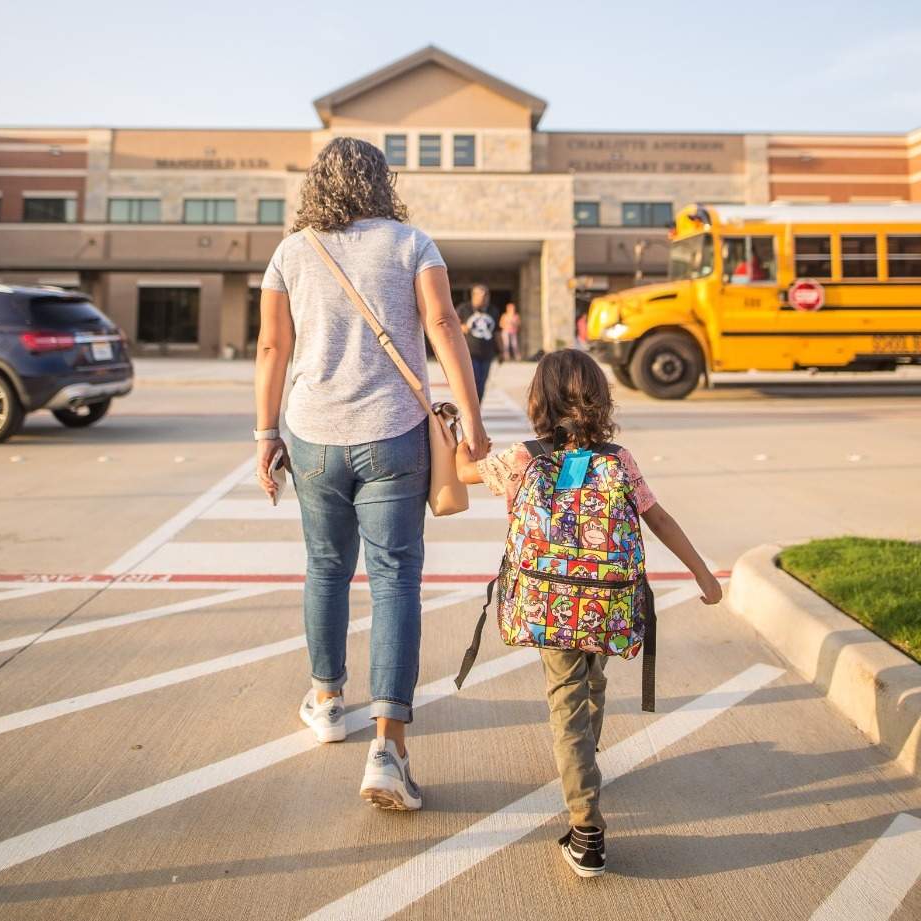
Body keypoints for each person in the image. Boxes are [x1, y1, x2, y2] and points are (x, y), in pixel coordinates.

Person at [254, 137, 490, 812]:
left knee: (325, 567)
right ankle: (388, 747)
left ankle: (327, 699)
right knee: (394, 581)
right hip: (395, 435)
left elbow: (273, 345)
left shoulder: (291, 251)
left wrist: (265, 434)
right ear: (381, 181)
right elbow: (444, 323)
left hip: (313, 436)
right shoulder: (413, 242)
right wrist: (470, 418)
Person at [454, 349, 721, 875]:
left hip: (549, 604)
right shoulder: (619, 460)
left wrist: (456, 436)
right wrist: (703, 573)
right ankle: (587, 766)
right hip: (606, 603)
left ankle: (586, 826)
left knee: (566, 704)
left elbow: (463, 471)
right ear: (601, 400)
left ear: (539, 400)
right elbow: (658, 519)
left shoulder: (524, 458)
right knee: (592, 681)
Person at [457, 284, 499, 401]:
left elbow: (497, 332)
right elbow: (452, 325)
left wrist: (502, 351)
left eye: (487, 295)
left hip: (487, 354)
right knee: (473, 381)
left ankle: (477, 407)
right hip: (470, 353)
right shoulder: (464, 308)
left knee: (482, 383)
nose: (485, 298)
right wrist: (462, 327)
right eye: (482, 296)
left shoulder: (493, 310)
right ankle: (471, 407)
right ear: (473, 296)